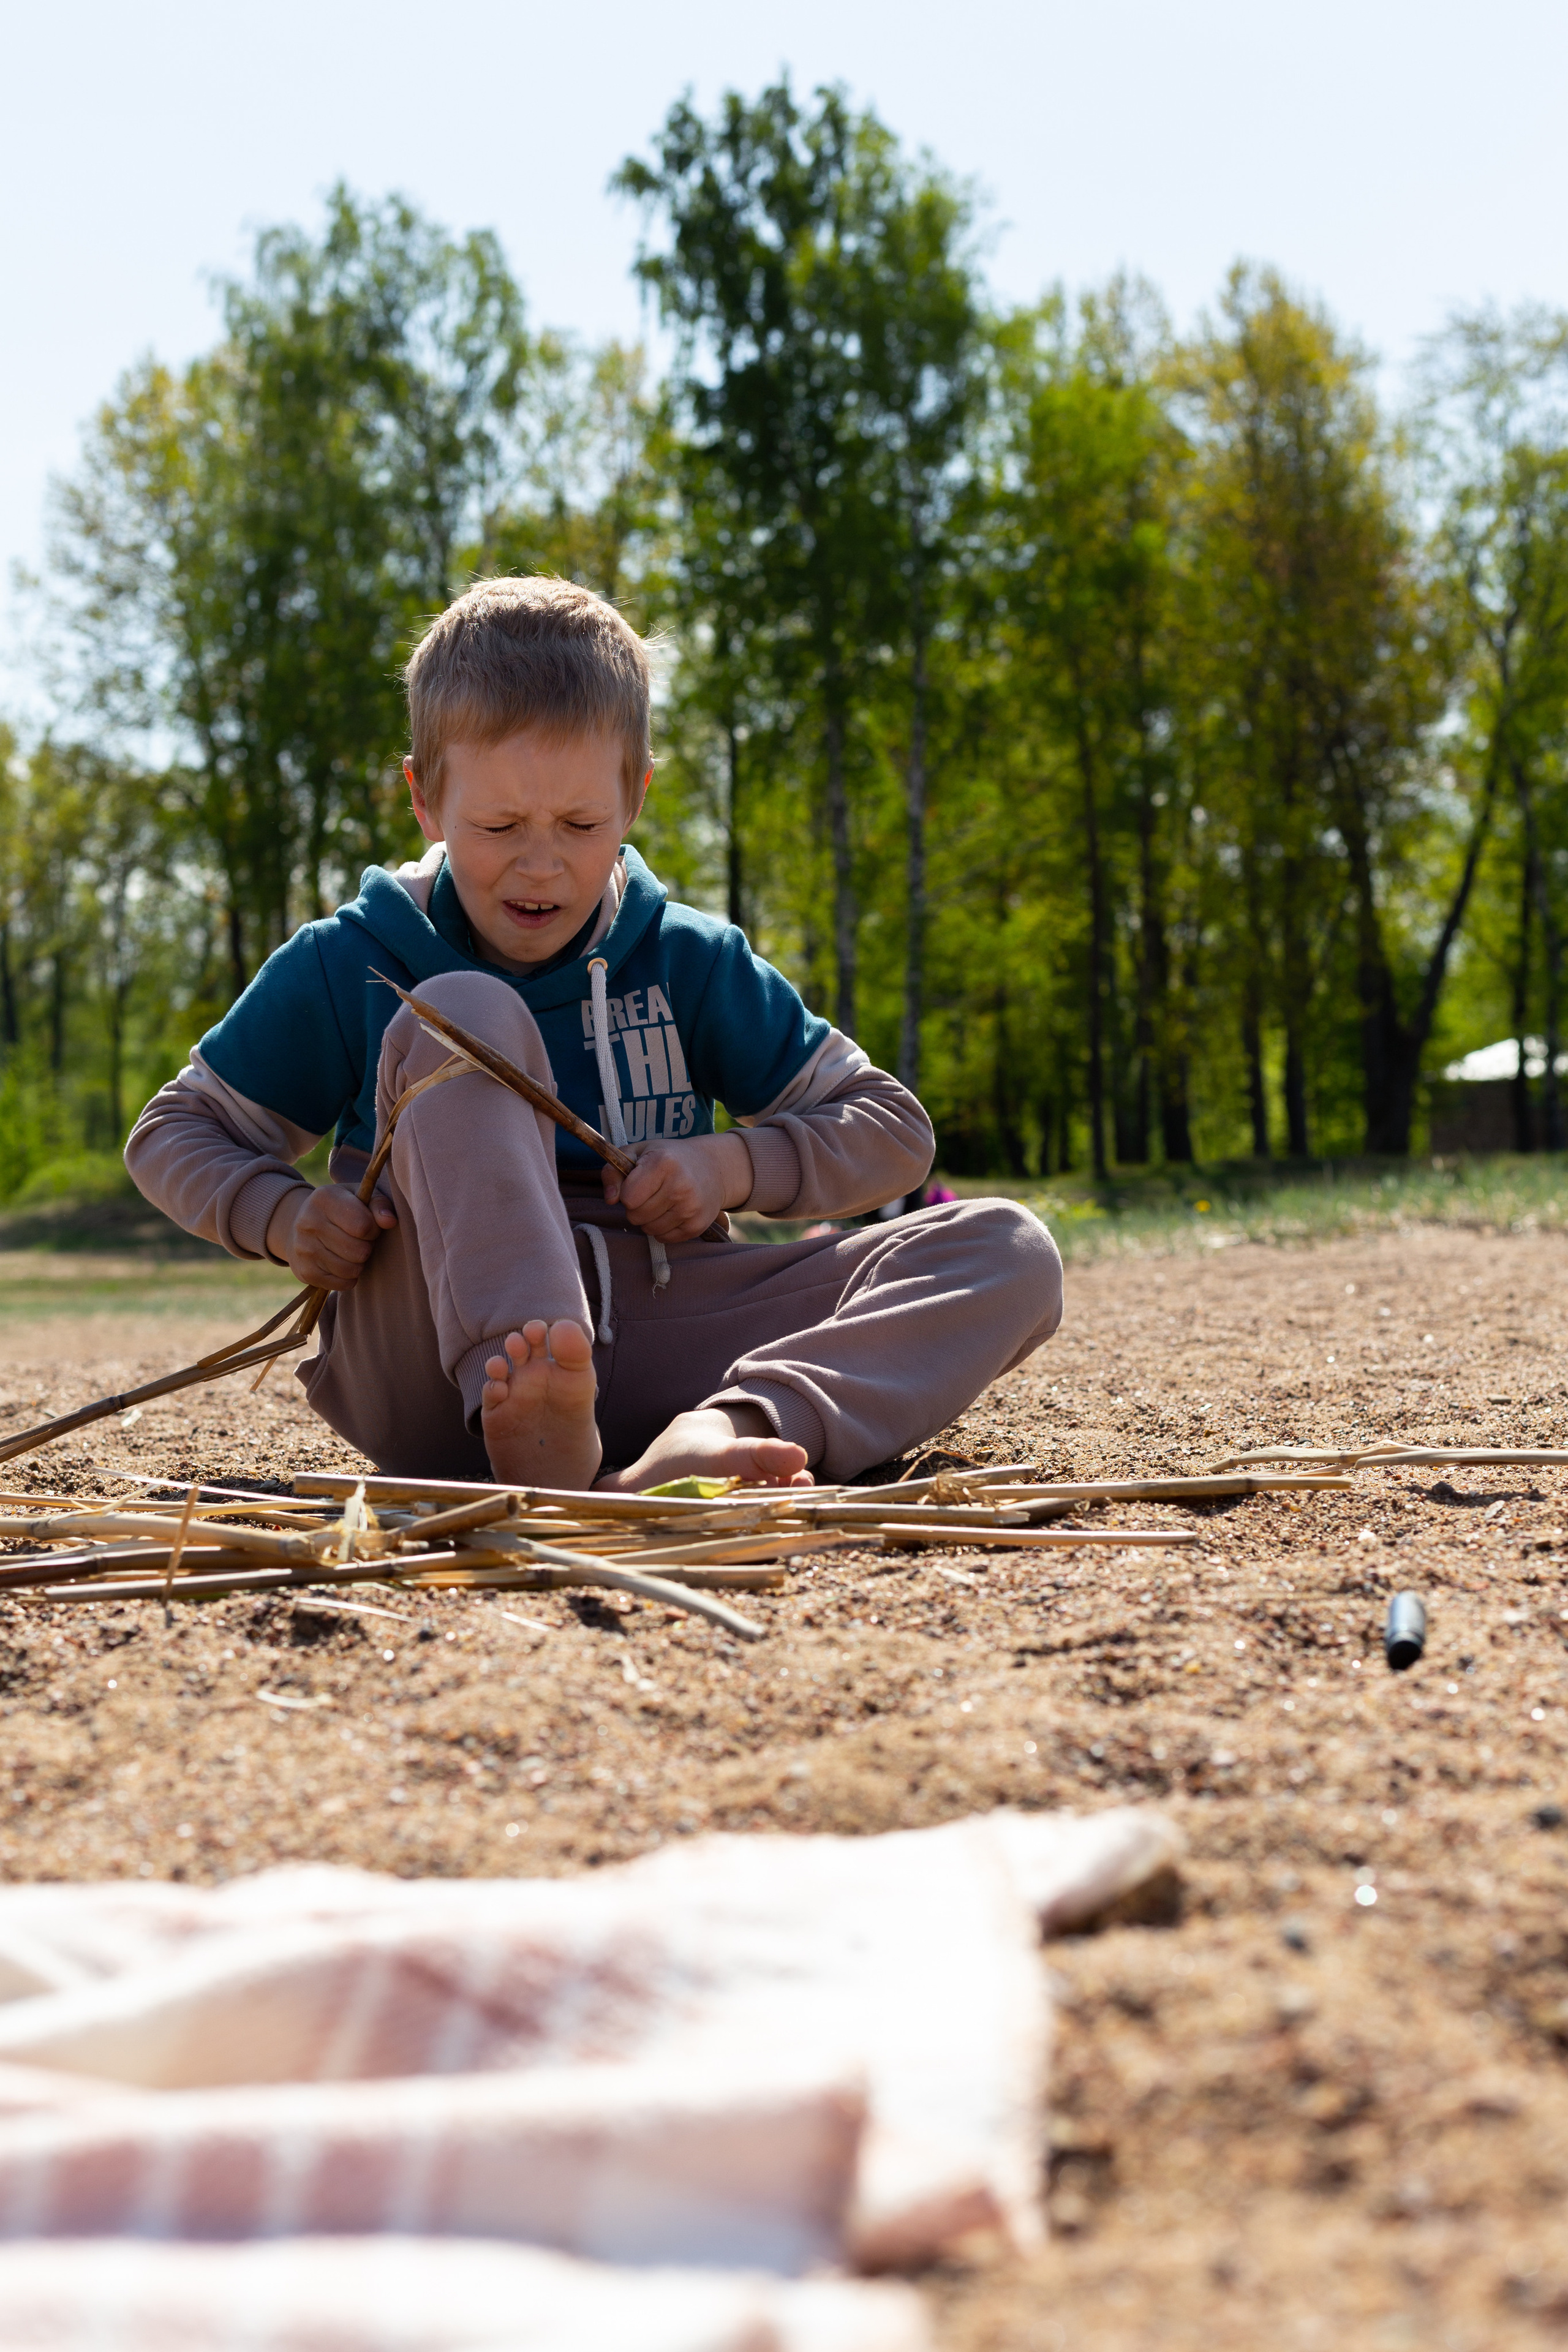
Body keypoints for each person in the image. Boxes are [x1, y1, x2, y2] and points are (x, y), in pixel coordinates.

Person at [125, 578, 1062, 1490]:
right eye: (497, 825)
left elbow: (894, 1133)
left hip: (665, 1344)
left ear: (638, 797)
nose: (541, 864)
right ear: (424, 801)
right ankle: (529, 1406)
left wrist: (726, 1167)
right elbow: (172, 1133)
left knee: (1007, 1250)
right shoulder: (353, 960)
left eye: (581, 823)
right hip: (427, 1370)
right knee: (468, 1012)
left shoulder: (686, 957)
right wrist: (283, 1217)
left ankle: (725, 1432)